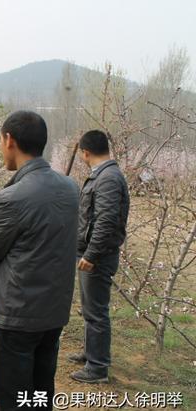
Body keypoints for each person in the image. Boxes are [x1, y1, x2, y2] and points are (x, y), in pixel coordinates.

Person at [0, 111, 79, 411]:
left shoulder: (13, 197)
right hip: (53, 314)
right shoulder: (71, 189)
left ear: (10, 140)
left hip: (17, 316)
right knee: (40, 393)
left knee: (15, 403)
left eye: (0, 141)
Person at [69, 130, 130, 383]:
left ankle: (97, 369)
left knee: (96, 312)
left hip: (98, 257)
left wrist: (92, 254)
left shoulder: (107, 179)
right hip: (91, 253)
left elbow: (105, 220)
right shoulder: (105, 175)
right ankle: (91, 353)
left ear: (85, 152)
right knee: (90, 309)